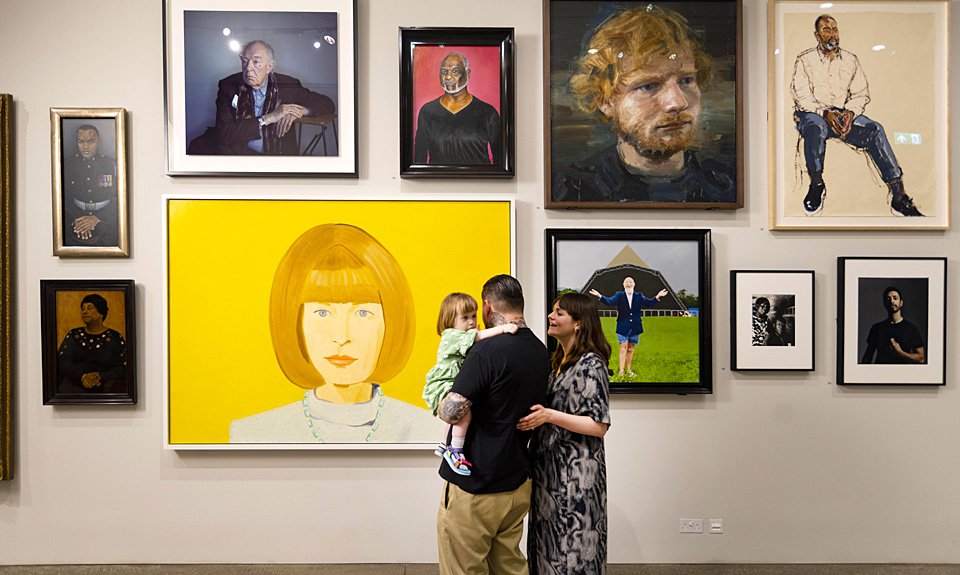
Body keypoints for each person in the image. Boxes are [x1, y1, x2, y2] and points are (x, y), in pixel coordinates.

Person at [229, 224, 439, 443]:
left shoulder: (429, 430)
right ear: (295, 322)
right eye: (322, 312)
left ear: (391, 322)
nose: (341, 336)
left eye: (362, 312)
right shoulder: (253, 434)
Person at [552, 5, 736, 203]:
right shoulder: (573, 189)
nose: (677, 103)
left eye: (686, 80)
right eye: (648, 86)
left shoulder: (726, 183)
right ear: (605, 100)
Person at [435, 274, 549, 575]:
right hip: (516, 483)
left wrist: (438, 399)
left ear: (487, 307)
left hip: (475, 485)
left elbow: (452, 411)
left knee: (465, 569)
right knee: (509, 567)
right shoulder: (539, 351)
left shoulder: (485, 351)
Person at [791, 14, 922, 217]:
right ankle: (817, 185)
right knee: (815, 127)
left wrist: (850, 113)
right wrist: (825, 113)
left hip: (844, 116)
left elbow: (861, 93)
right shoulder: (804, 60)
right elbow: (801, 96)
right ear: (817, 36)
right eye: (826, 30)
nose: (832, 34)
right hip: (814, 114)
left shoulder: (851, 60)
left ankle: (898, 194)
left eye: (834, 29)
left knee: (874, 129)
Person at [519, 291, 611, 575]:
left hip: (576, 477)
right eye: (553, 311)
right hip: (549, 471)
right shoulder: (558, 362)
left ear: (579, 323)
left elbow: (599, 425)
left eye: (559, 312)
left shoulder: (591, 364)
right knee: (547, 544)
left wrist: (548, 415)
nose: (551, 316)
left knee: (573, 551)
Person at [423, 293, 518, 476]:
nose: (471, 322)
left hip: (451, 382)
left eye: (473, 316)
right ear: (450, 320)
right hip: (443, 383)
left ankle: (445, 442)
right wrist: (503, 328)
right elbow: (479, 336)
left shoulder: (462, 336)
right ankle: (455, 450)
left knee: (459, 414)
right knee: (463, 413)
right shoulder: (452, 335)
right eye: (465, 318)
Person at [210, 40, 335, 155]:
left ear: (269, 67)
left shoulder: (288, 85)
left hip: (278, 157)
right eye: (244, 61)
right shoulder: (228, 85)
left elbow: (328, 104)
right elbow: (223, 133)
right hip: (239, 155)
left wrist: (299, 111)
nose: (248, 68)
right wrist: (268, 118)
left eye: (256, 62)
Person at [414, 51, 502, 165]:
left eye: (455, 71)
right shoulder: (427, 112)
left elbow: (500, 161)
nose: (448, 77)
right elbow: (419, 161)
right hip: (437, 181)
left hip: (478, 181)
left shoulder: (488, 113)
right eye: (444, 72)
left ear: (468, 73)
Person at [589, 277, 668, 377]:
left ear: (634, 284)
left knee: (630, 349)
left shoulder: (639, 296)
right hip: (623, 326)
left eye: (630, 282)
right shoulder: (619, 295)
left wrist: (657, 297)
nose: (628, 283)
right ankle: (621, 371)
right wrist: (599, 296)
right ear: (623, 284)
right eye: (626, 282)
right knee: (623, 348)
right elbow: (609, 302)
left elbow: (649, 303)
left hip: (635, 327)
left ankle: (628, 370)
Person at [57, 294, 127, 394]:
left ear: (101, 312)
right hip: (75, 384)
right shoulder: (74, 335)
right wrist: (83, 377)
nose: (84, 312)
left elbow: (122, 367)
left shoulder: (115, 337)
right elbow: (62, 362)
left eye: (90, 308)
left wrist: (100, 376)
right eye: (83, 309)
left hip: (105, 385)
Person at [62, 124, 118, 247]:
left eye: (91, 141)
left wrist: (97, 218)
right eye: (81, 141)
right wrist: (79, 221)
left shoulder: (111, 165)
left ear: (98, 141)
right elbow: (64, 199)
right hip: (76, 222)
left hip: (106, 220)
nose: (85, 146)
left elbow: (119, 199)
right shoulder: (68, 165)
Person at [860, 286, 926, 364]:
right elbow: (867, 357)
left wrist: (900, 352)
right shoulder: (876, 328)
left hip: (903, 374)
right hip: (880, 374)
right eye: (888, 299)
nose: (892, 301)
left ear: (901, 303)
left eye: (895, 298)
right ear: (884, 303)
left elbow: (921, 358)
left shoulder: (911, 329)